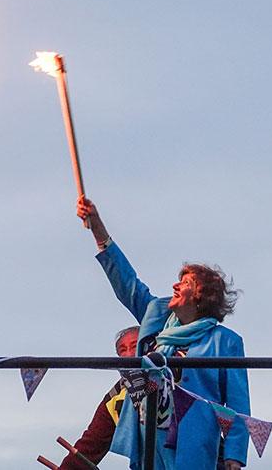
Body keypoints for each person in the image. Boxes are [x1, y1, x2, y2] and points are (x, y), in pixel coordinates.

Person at [76, 196, 250, 470]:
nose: (175, 285)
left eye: (185, 282)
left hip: (192, 441)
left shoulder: (225, 342)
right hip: (147, 436)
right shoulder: (155, 314)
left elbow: (239, 405)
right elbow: (126, 282)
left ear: (202, 294)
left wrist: (234, 456)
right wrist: (98, 228)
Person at [58, 326, 139, 470]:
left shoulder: (175, 378)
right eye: (122, 350)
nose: (129, 355)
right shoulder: (115, 399)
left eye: (135, 346)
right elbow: (91, 445)